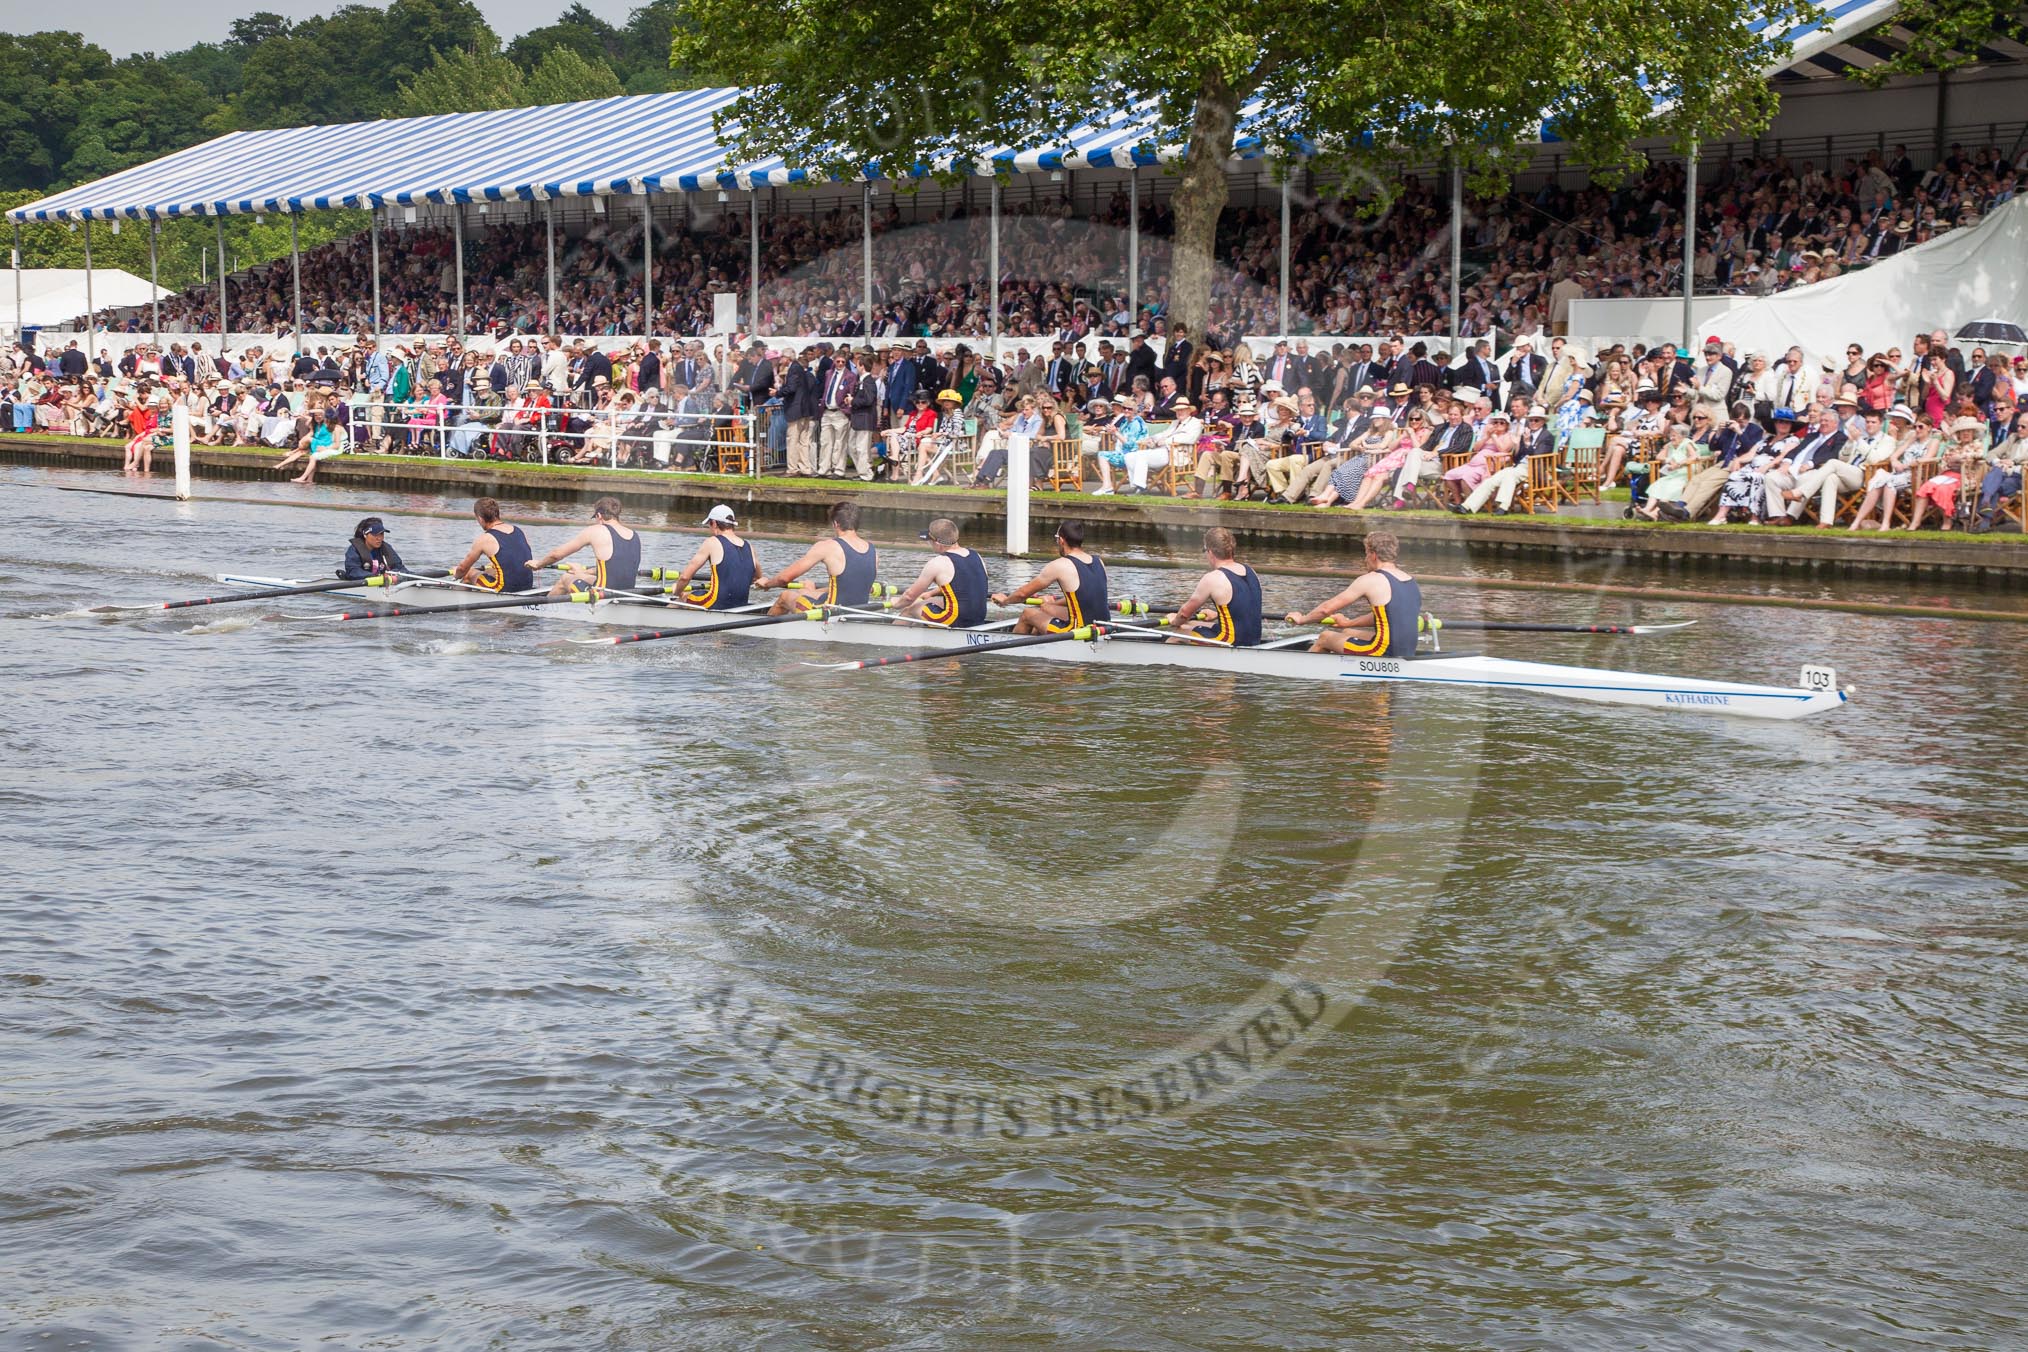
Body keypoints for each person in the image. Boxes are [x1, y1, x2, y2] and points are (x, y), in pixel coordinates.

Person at [1283, 529, 1420, 657]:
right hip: (1407, 648)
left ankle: (1304, 675)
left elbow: (1326, 609)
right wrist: (1347, 623)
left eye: (1366, 553)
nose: (1365, 559)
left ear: (1373, 555)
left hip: (1383, 651)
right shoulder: (1409, 579)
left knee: (1325, 637)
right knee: (1347, 632)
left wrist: (1302, 619)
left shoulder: (1371, 579)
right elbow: (1385, 616)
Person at [758, 501, 879, 614]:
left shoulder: (828, 546)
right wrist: (811, 591)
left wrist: (767, 583)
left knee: (785, 596)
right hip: (858, 612)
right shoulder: (873, 551)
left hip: (830, 613)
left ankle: (763, 633)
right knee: (806, 590)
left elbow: (783, 579)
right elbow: (850, 588)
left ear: (835, 523)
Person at [993, 519, 1109, 634]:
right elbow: (1085, 596)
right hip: (1103, 627)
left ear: (1061, 540)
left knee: (1027, 614)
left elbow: (1023, 594)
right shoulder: (1099, 562)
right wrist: (1053, 603)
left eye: (1056, 539)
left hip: (1078, 631)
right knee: (1046, 608)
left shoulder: (1060, 565)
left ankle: (1014, 650)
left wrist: (1005, 601)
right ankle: (1040, 645)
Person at [1167, 527, 1263, 646]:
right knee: (1190, 625)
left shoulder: (1213, 577)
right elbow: (1245, 608)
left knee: (1178, 632)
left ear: (1210, 552)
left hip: (1230, 641)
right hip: (1253, 639)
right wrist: (1219, 614)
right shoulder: (1251, 571)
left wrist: (1174, 620)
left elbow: (1184, 614)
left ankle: (1161, 662)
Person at [530, 496, 643, 595]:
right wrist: (582, 572)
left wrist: (538, 565)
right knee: (584, 577)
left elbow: (556, 554)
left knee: (565, 579)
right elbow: (615, 568)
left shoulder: (596, 530)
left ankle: (543, 609)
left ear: (599, 515)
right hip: (627, 593)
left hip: (602, 596)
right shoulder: (634, 535)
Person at [894, 517, 991, 628]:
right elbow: (963, 585)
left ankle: (889, 639)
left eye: (929, 541)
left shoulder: (937, 563)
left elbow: (909, 597)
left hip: (953, 621)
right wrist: (931, 593)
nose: (929, 544)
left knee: (910, 609)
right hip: (978, 618)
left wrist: (896, 603)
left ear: (937, 543)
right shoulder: (976, 556)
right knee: (931, 601)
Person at [675, 503, 762, 609]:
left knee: (682, 598)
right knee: (700, 593)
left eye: (709, 524)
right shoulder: (750, 547)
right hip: (741, 605)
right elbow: (758, 578)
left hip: (715, 603)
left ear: (714, 523)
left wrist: (677, 592)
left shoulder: (711, 542)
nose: (709, 529)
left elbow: (685, 577)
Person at [450, 497, 536, 593]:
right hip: (528, 586)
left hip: (504, 589)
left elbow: (462, 568)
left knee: (468, 574)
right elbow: (518, 557)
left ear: (480, 519)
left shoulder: (485, 538)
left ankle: (454, 601)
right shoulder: (518, 530)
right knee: (489, 571)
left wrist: (456, 574)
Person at [340, 517, 406, 580]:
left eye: (381, 534)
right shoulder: (354, 550)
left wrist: (393, 575)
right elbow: (353, 572)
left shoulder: (386, 548)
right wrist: (377, 577)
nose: (379, 538)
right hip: (363, 583)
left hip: (384, 580)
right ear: (365, 535)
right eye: (375, 535)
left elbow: (400, 568)